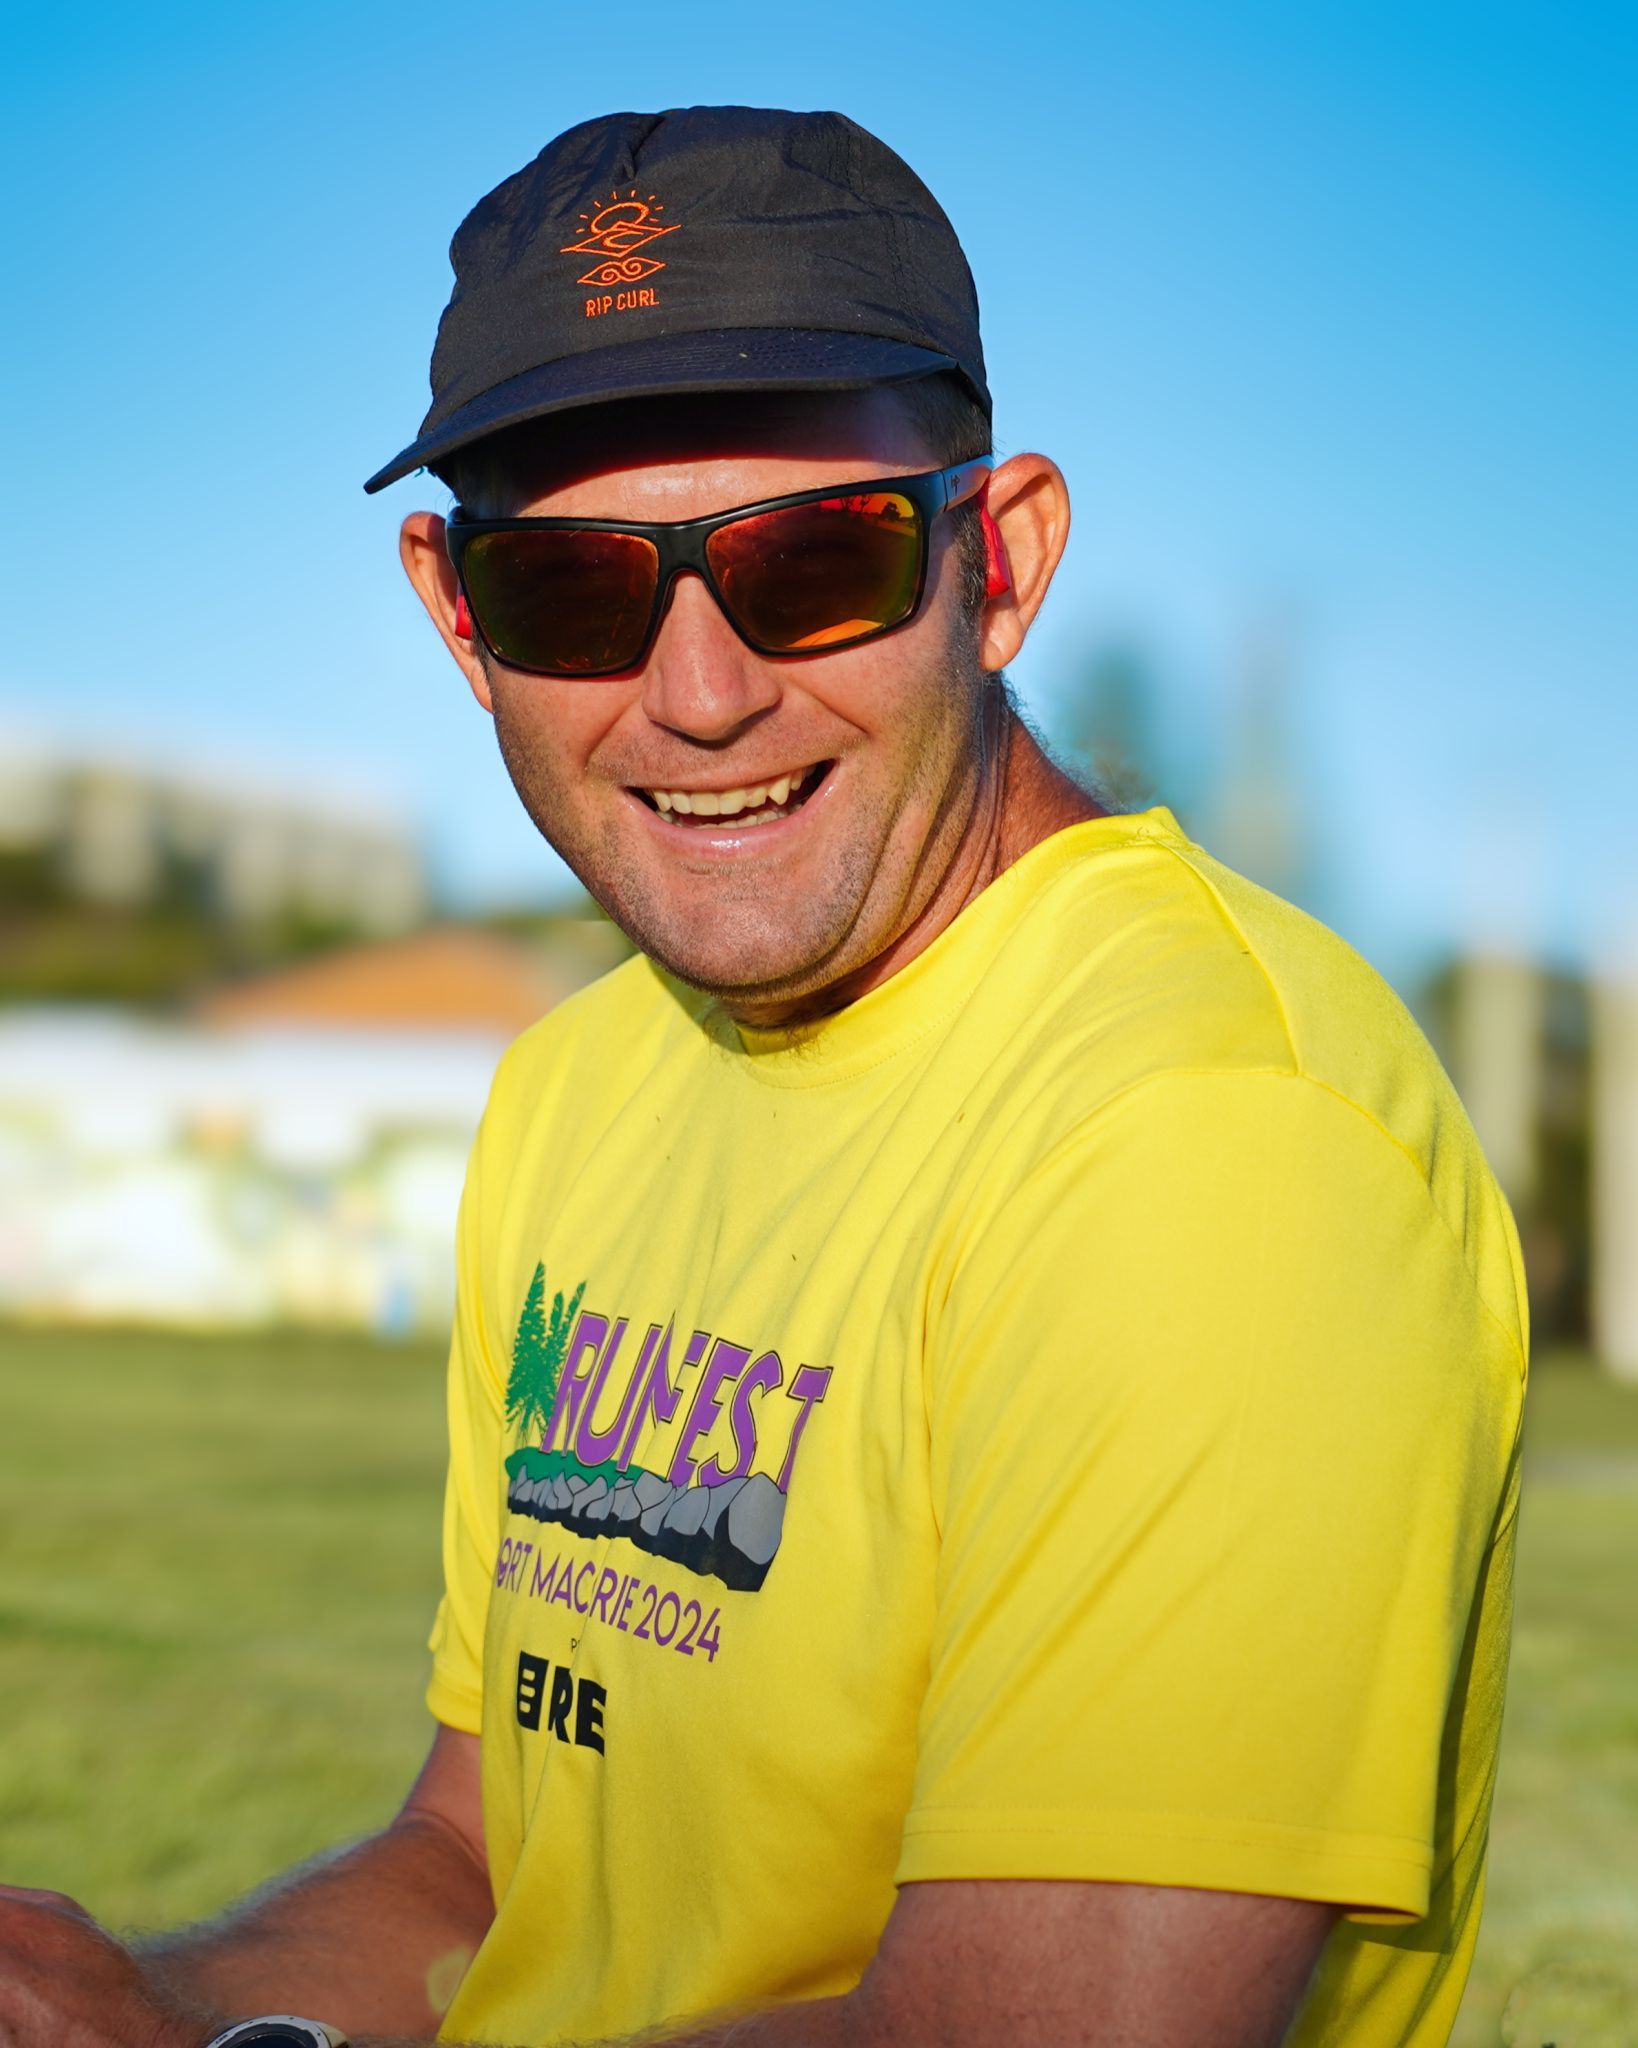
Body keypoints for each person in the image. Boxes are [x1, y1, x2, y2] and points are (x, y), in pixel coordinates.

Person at [0, 105, 1527, 2048]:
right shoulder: (574, 1083)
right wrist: (142, 2004)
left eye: (813, 562)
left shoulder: (1211, 1138)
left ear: (1004, 557)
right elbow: (487, 1862)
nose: (703, 691)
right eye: (572, 589)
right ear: (459, 616)